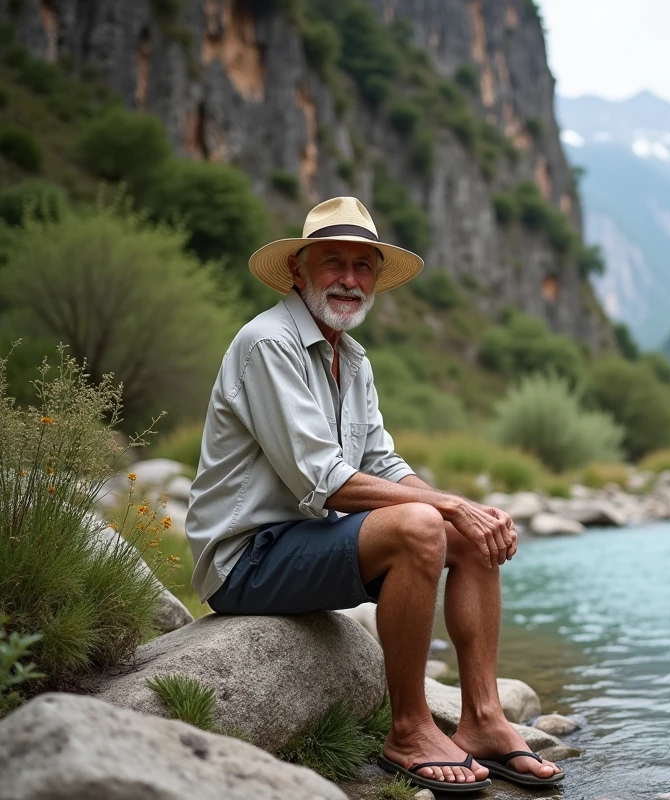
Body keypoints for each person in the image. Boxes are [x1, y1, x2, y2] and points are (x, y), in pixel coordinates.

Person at [185, 196, 563, 793]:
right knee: (422, 525)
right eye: (333, 262)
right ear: (297, 271)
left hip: (302, 542)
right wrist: (445, 507)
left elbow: (382, 462)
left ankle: (485, 720)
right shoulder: (269, 343)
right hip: (246, 560)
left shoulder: (352, 358)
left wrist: (466, 510)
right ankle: (409, 729)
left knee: (466, 532)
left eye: (363, 267)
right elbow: (324, 478)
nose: (349, 279)